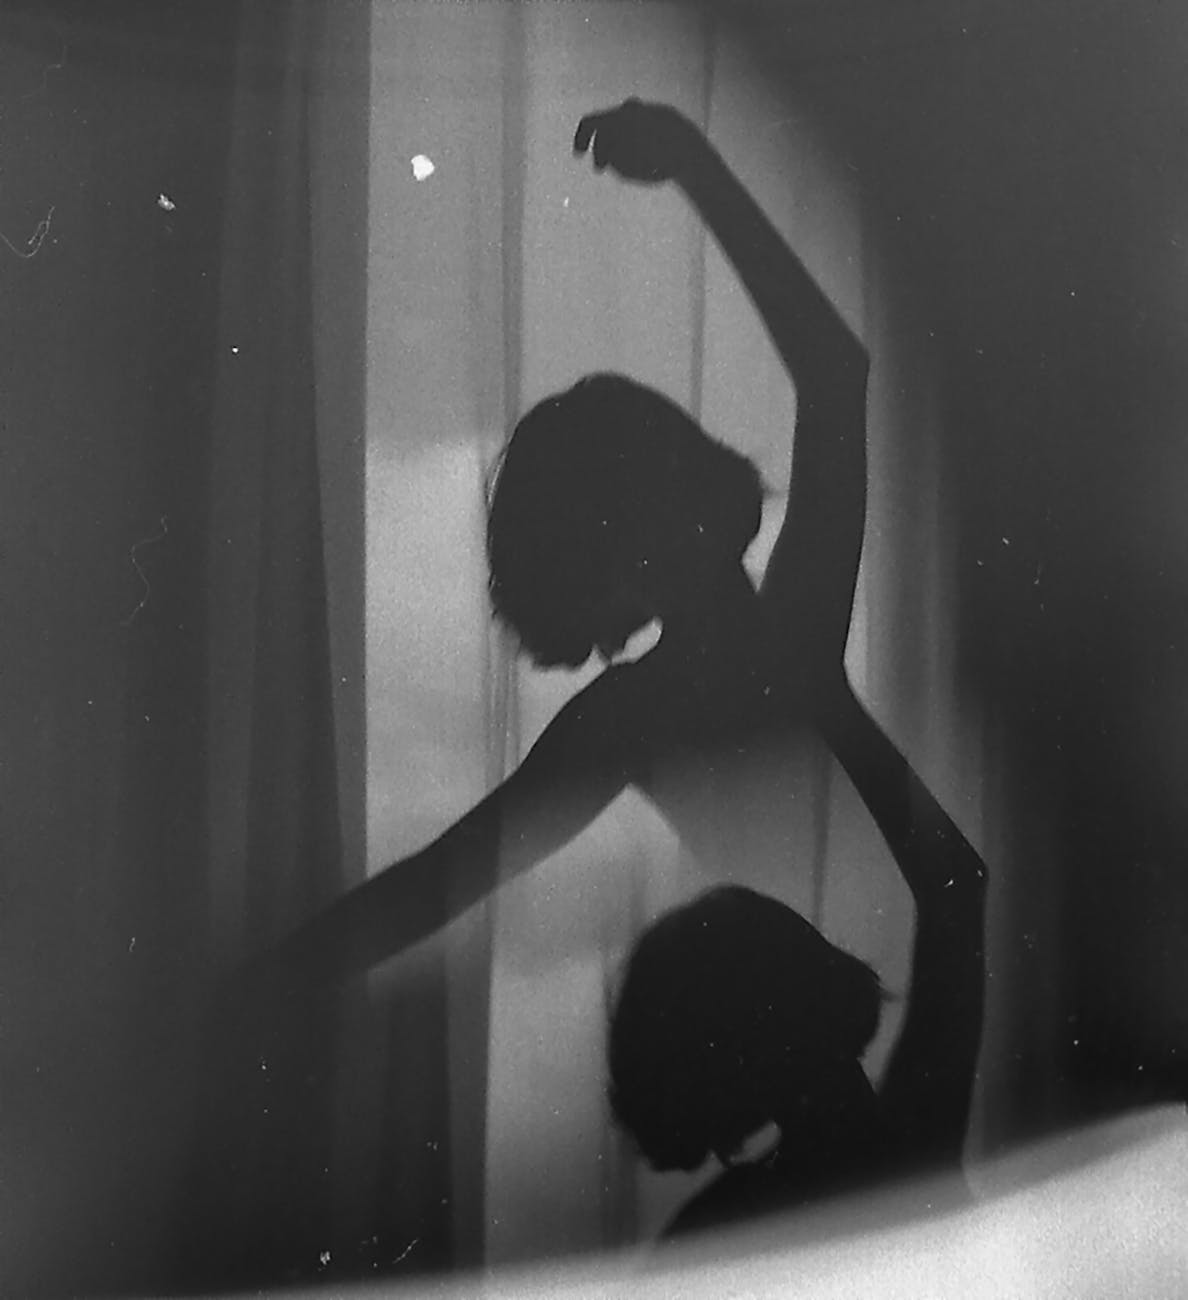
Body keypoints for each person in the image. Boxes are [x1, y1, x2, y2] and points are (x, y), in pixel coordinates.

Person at [250, 100, 986, 1207]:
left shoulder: (743, 654)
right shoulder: (655, 705)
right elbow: (438, 882)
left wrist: (699, 167)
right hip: (859, 1069)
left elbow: (838, 376)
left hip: (880, 1058)